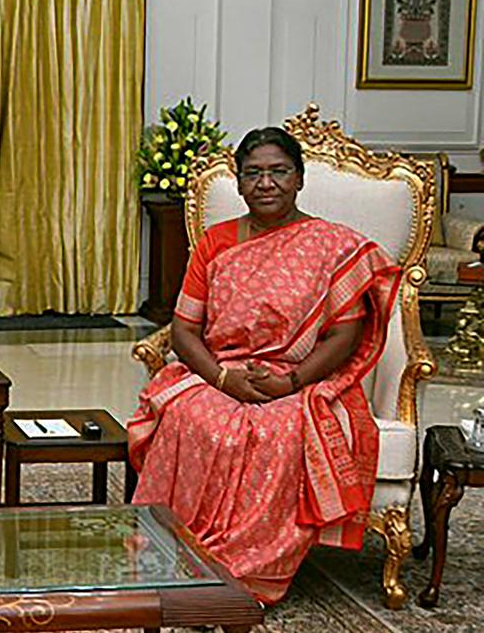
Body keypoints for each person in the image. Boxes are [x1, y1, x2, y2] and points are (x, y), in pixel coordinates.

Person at [127, 127, 401, 604]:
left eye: (278, 172)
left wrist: (290, 381)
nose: (266, 183)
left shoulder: (333, 246)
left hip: (305, 377)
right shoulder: (216, 243)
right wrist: (222, 377)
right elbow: (184, 329)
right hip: (220, 371)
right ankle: (175, 552)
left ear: (299, 178)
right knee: (189, 418)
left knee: (280, 431)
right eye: (253, 173)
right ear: (238, 183)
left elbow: (345, 334)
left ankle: (249, 569)